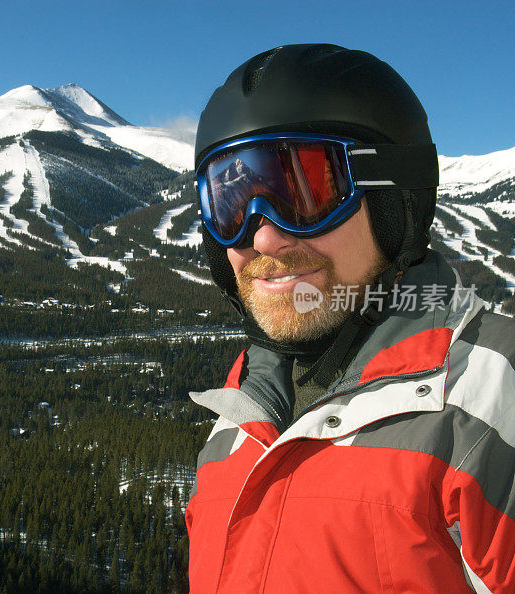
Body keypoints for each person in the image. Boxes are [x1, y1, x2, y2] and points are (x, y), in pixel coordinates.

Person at [185, 44, 515, 593]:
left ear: (393, 203)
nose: (263, 235)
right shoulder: (235, 428)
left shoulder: (493, 396)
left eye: (306, 189)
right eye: (232, 201)